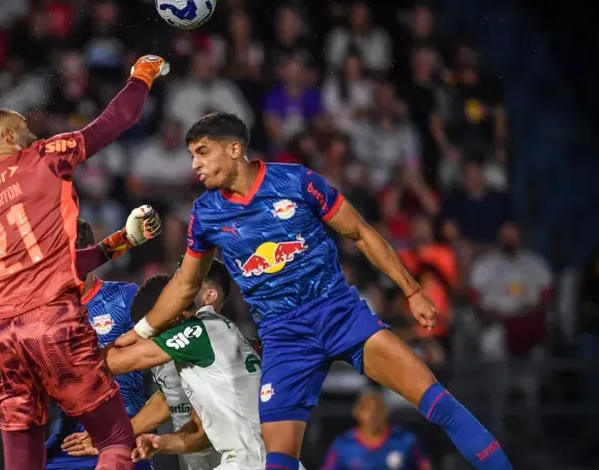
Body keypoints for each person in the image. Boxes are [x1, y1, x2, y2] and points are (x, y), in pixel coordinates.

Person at [117, 112, 513, 469]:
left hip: (337, 312)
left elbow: (360, 232)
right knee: (276, 459)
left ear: (234, 149)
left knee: (438, 403)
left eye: (202, 152)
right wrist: (138, 333)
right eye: (191, 155)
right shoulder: (206, 213)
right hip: (284, 337)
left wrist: (411, 290)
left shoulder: (296, 181)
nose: (195, 165)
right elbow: (186, 284)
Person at [0, 54, 170, 470]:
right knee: (115, 439)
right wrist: (143, 74)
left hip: (4, 336)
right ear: (8, 134)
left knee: (22, 463)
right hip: (52, 321)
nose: (31, 134)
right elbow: (117, 120)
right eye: (24, 129)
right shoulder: (42, 156)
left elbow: (44, 267)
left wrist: (119, 243)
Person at [104, 264, 305, 469]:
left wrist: (133, 334)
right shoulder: (214, 336)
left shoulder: (198, 331)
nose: (179, 287)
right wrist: (161, 443)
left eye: (186, 282)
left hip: (251, 462)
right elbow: (201, 432)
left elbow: (115, 363)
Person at [44, 218, 156, 470]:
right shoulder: (43, 315)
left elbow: (170, 359)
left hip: (125, 439)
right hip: (69, 444)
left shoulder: (127, 298)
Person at [321, 390, 431, 470]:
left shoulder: (406, 440)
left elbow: (424, 466)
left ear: (386, 412)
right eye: (367, 410)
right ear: (357, 413)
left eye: (378, 409)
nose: (373, 415)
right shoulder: (343, 445)